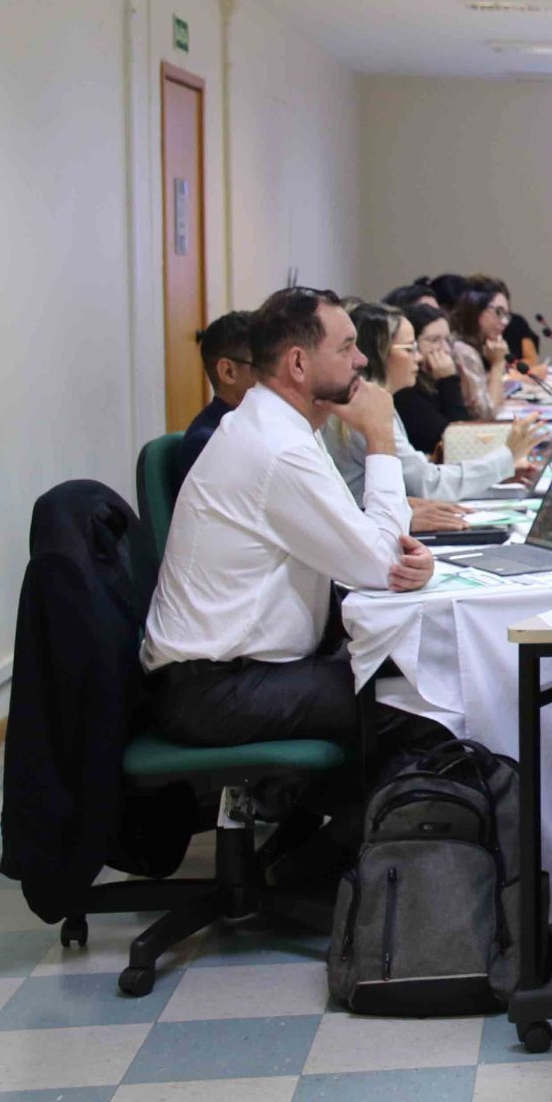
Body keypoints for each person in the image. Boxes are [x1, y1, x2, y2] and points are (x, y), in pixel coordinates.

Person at [140, 288, 450, 867]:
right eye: (349, 347)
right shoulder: (278, 448)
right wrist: (380, 437)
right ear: (299, 364)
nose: (362, 361)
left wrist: (400, 551)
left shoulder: (273, 430)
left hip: (229, 673)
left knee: (397, 681)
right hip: (216, 689)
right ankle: (313, 870)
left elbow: (374, 550)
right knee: (421, 705)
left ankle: (312, 853)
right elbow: (379, 565)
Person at [332, 303, 532, 524]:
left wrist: (502, 473)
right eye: (409, 349)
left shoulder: (377, 402)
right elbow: (428, 484)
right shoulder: (361, 411)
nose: (418, 358)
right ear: (379, 354)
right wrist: (506, 457)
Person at [172, 312, 256, 492]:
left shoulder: (259, 425)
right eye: (264, 365)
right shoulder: (208, 442)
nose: (276, 377)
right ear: (228, 372)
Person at [392, 303, 472, 458]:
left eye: (447, 340)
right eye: (435, 340)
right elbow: (458, 442)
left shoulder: (432, 381)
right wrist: (449, 381)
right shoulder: (405, 391)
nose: (446, 349)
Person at [447, 280, 515, 420]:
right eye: (498, 312)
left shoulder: (476, 346)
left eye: (506, 315)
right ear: (475, 308)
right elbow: (487, 415)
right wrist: (498, 364)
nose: (504, 322)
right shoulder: (463, 351)